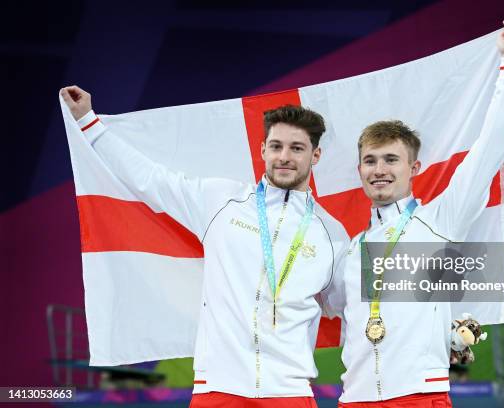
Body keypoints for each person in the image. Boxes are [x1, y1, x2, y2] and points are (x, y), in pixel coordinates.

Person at [60, 91, 349, 408]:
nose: (284, 157)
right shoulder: (221, 202)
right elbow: (150, 179)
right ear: (263, 149)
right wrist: (88, 122)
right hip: (218, 388)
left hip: (290, 393)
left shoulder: (331, 234)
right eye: (277, 146)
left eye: (297, 148)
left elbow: (347, 307)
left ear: (316, 155)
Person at [332, 21, 504, 407]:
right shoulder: (351, 251)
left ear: (414, 168)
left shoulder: (440, 221)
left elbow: (488, 148)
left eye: (391, 159)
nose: (379, 169)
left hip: (419, 396)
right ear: (359, 171)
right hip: (352, 398)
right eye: (369, 161)